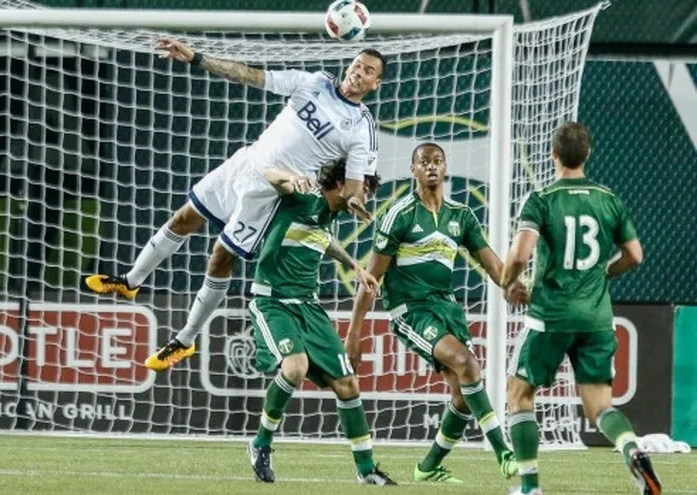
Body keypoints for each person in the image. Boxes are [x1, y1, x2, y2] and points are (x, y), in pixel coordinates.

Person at [85, 37, 386, 372]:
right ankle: (130, 281)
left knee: (220, 257)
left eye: (368, 71)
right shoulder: (313, 82)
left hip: (273, 191)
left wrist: (354, 201)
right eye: (357, 64)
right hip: (245, 163)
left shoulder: (361, 128)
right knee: (183, 218)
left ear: (376, 83)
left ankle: (184, 340)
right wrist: (196, 58)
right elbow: (250, 75)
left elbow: (354, 187)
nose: (359, 72)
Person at [347, 143, 524, 483]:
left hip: (447, 308)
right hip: (411, 311)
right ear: (413, 170)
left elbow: (495, 268)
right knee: (468, 364)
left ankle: (427, 467)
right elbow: (371, 278)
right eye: (424, 162)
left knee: (463, 396)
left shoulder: (462, 216)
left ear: (445, 168)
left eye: (437, 161)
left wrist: (518, 285)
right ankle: (503, 451)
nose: (431, 166)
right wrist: (354, 334)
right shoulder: (399, 215)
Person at [501, 122, 660, 495]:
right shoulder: (609, 199)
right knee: (600, 408)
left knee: (519, 394)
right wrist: (606, 271)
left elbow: (521, 255)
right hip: (597, 318)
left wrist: (509, 283)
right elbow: (635, 256)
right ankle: (632, 449)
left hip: (550, 316)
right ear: (587, 154)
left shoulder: (542, 199)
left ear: (553, 154)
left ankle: (529, 488)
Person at [246, 159, 393, 485]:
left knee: (348, 384)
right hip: (273, 302)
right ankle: (261, 444)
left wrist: (356, 266)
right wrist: (290, 176)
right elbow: (268, 174)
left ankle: (366, 470)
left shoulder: (328, 214)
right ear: (342, 184)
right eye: (363, 191)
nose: (365, 199)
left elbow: (322, 239)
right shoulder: (304, 195)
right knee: (295, 367)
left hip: (309, 307)